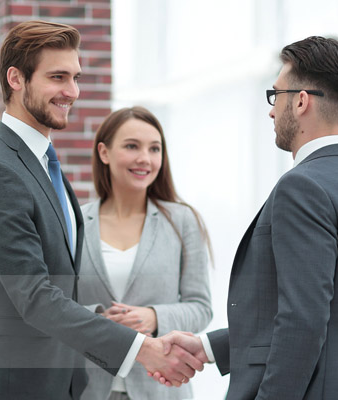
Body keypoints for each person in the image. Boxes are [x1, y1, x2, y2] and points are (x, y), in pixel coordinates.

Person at [0, 20, 203, 400]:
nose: (72, 91)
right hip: (6, 386)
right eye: (58, 77)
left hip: (54, 384)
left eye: (76, 77)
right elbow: (34, 296)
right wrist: (143, 349)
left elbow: (62, 288)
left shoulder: (44, 165)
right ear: (16, 79)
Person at [156, 36, 338, 399]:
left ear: (301, 101)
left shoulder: (302, 187)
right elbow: (325, 316)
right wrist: (208, 346)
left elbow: (303, 320)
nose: (270, 110)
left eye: (275, 95)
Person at [78, 106, 212, 400]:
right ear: (104, 152)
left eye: (154, 149)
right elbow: (57, 305)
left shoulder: (182, 221)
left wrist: (154, 316)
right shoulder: (75, 223)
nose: (145, 158)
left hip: (160, 390)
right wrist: (99, 319)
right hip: (88, 388)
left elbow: (201, 308)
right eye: (131, 146)